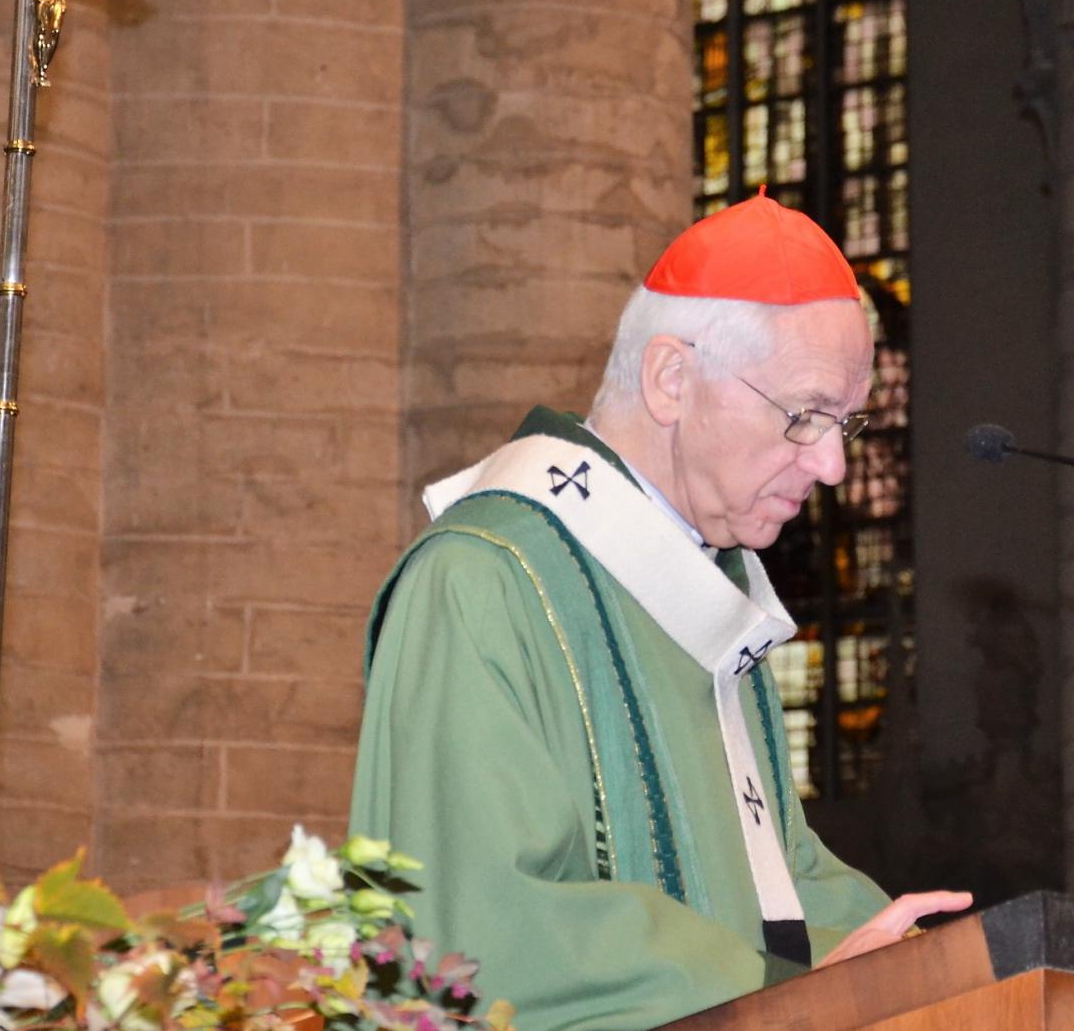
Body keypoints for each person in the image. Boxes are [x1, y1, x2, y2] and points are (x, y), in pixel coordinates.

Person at [348, 194, 970, 1031]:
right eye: (804, 416)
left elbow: (773, 881)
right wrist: (792, 985)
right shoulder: (480, 581)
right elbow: (477, 923)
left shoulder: (702, 595)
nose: (830, 465)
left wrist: (931, 963)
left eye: (843, 423)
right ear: (672, 379)